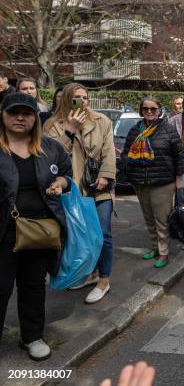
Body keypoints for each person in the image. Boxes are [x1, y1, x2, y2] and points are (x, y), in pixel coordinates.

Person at [0, 92, 72, 361]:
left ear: (35, 118)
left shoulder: (50, 147)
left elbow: (67, 173)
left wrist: (61, 183)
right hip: (4, 230)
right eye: (13, 112)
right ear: (3, 115)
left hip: (40, 230)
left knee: (33, 285)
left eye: (27, 113)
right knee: (0, 286)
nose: (20, 118)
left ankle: (32, 337)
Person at [44, 83, 116, 304]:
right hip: (71, 189)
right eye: (77, 98)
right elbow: (51, 157)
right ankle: (90, 273)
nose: (83, 102)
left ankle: (104, 279)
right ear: (66, 99)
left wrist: (106, 175)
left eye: (85, 97)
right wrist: (71, 130)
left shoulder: (102, 121)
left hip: (99, 187)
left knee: (102, 233)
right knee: (80, 235)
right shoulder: (52, 125)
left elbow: (109, 152)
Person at [121, 97, 184, 268]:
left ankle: (164, 252)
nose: (149, 112)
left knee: (162, 220)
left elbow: (179, 156)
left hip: (163, 182)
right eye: (145, 109)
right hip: (140, 182)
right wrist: (131, 165)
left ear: (159, 110)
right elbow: (125, 153)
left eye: (153, 109)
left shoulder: (168, 130)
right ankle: (155, 248)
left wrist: (179, 180)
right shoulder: (135, 130)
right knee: (148, 218)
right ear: (141, 111)